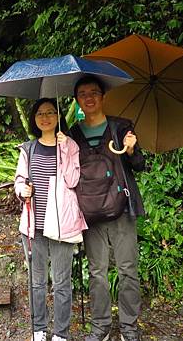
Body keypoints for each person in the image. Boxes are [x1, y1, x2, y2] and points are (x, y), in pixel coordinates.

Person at [69, 75, 146, 341]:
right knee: (97, 272)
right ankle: (100, 326)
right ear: (77, 100)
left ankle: (129, 328)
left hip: (122, 209)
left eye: (93, 92)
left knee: (127, 269)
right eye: (82, 94)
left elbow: (138, 165)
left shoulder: (121, 127)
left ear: (103, 97)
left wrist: (132, 150)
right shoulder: (71, 134)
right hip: (89, 211)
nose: (88, 98)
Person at [15, 97, 88, 341]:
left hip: (62, 225)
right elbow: (19, 179)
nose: (45, 117)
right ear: (34, 120)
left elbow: (72, 180)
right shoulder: (28, 149)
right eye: (39, 113)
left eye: (50, 112)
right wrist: (21, 190)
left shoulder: (70, 145)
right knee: (37, 282)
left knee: (61, 283)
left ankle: (60, 334)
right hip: (34, 226)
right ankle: (39, 329)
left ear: (58, 117)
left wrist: (66, 147)